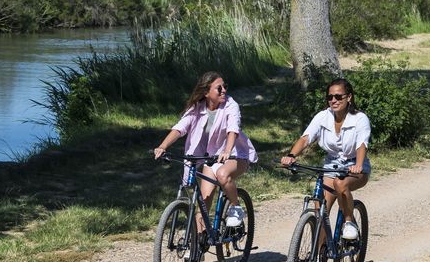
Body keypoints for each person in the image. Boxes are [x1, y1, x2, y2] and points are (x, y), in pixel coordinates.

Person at [154, 71, 258, 230]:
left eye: (225, 86)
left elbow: (233, 130)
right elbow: (180, 128)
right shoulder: (197, 108)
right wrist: (163, 146)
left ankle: (236, 208)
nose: (224, 90)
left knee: (223, 175)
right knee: (204, 202)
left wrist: (227, 150)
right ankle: (197, 248)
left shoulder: (231, 105)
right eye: (219, 88)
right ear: (206, 92)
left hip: (236, 154)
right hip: (212, 158)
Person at [279, 78, 370, 240]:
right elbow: (306, 138)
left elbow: (361, 144)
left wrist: (358, 165)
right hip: (331, 165)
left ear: (349, 97)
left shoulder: (359, 118)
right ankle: (318, 256)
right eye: (330, 97)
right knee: (321, 210)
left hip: (354, 166)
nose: (333, 101)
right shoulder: (322, 116)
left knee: (340, 183)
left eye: (338, 97)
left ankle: (349, 222)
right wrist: (291, 156)